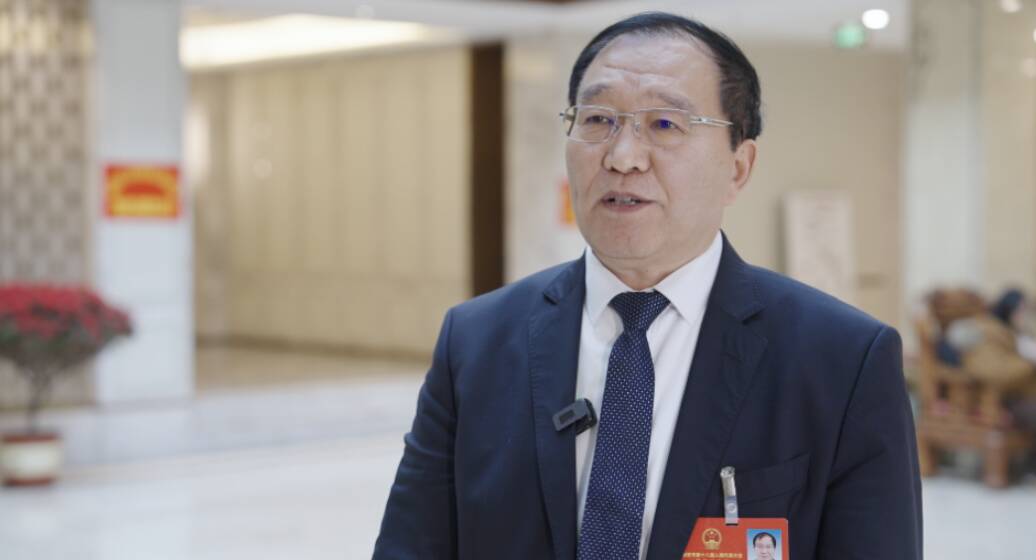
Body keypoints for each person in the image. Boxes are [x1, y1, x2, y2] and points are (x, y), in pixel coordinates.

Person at [374, 12, 922, 560]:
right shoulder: (475, 341)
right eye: (597, 119)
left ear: (738, 167)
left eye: (664, 124)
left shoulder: (842, 361)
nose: (622, 157)